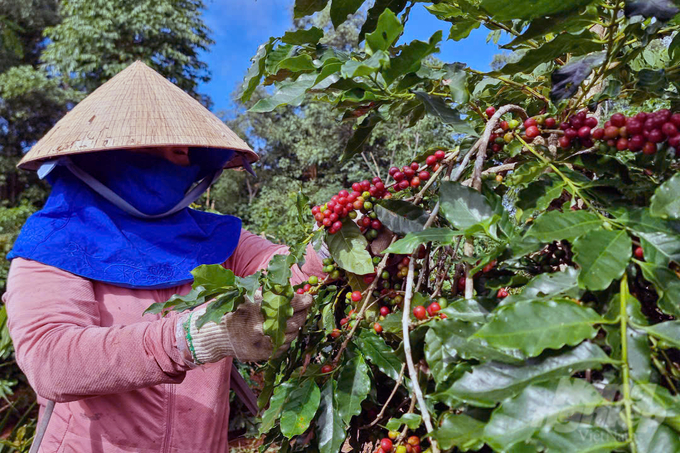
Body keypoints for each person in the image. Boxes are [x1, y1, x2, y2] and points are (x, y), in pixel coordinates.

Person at [2, 61, 323, 452]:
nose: (183, 158)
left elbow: (288, 273)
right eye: (167, 147)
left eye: (187, 150)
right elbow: (51, 360)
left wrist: (339, 245)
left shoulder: (215, 236)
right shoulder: (55, 241)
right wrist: (191, 339)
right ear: (113, 153)